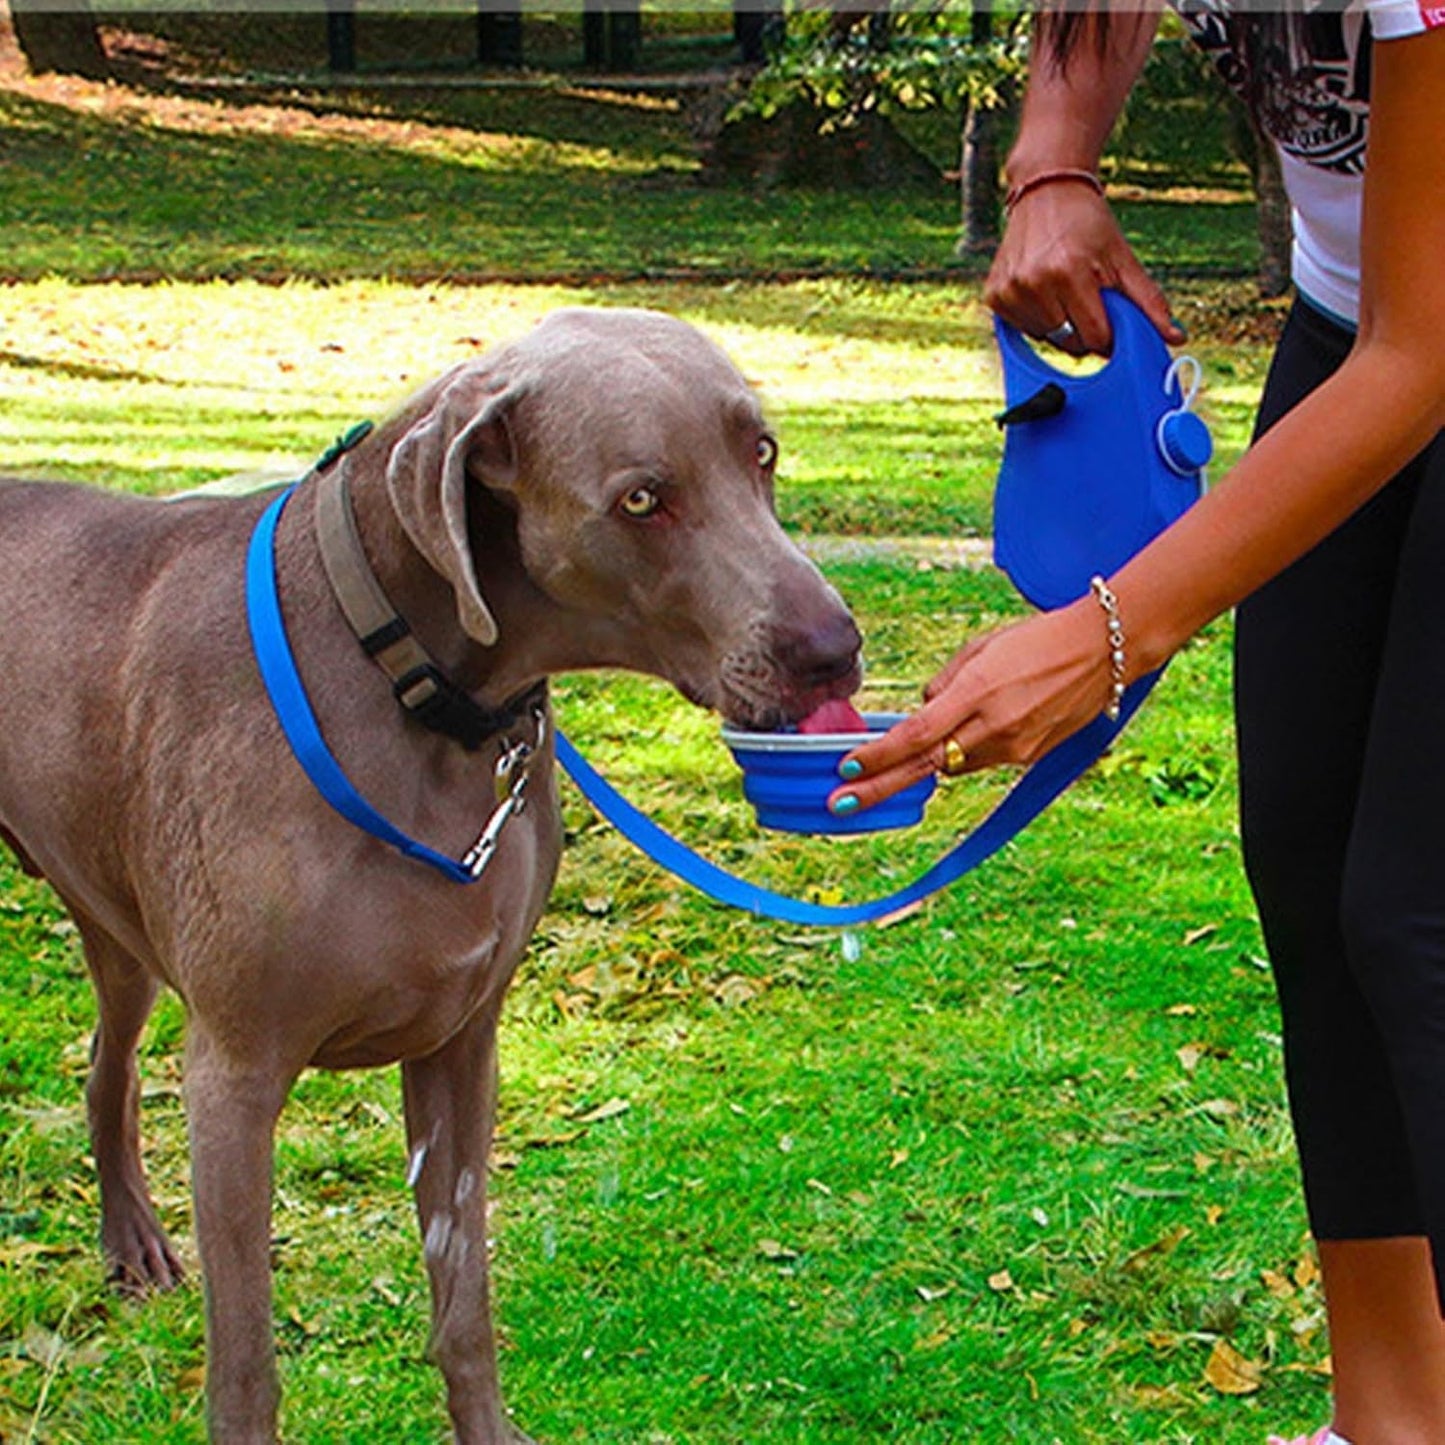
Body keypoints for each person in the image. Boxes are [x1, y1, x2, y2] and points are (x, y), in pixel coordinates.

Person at [826, 5, 1445, 1443]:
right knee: (1308, 869)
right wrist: (1051, 160)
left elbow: (1420, 361)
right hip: (1359, 314)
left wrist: (1110, 632)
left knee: (1419, 913)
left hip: (1411, 340)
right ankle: (1389, 1422)